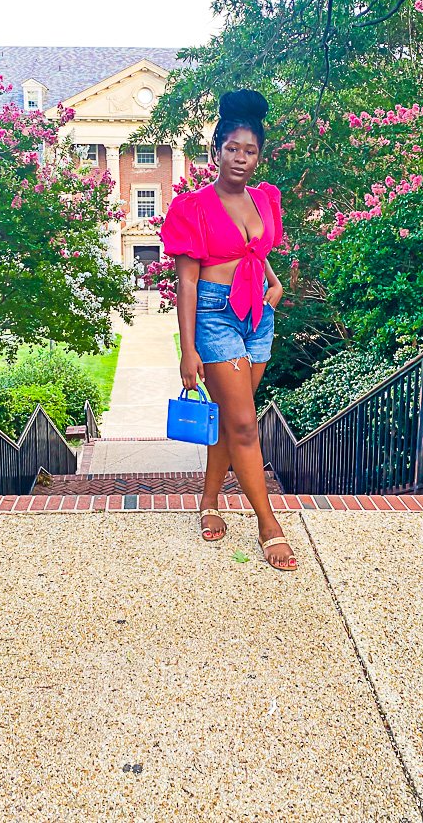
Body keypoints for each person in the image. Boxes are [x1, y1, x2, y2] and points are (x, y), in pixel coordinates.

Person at [160, 89, 297, 571]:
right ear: (216, 150)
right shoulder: (192, 207)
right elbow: (188, 282)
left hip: (258, 316)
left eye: (250, 150)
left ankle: (209, 501)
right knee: (243, 423)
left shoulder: (264, 199)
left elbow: (256, 253)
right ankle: (269, 525)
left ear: (260, 155)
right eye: (232, 148)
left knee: (229, 417)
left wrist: (275, 285)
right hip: (216, 316)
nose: (241, 158)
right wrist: (188, 349)